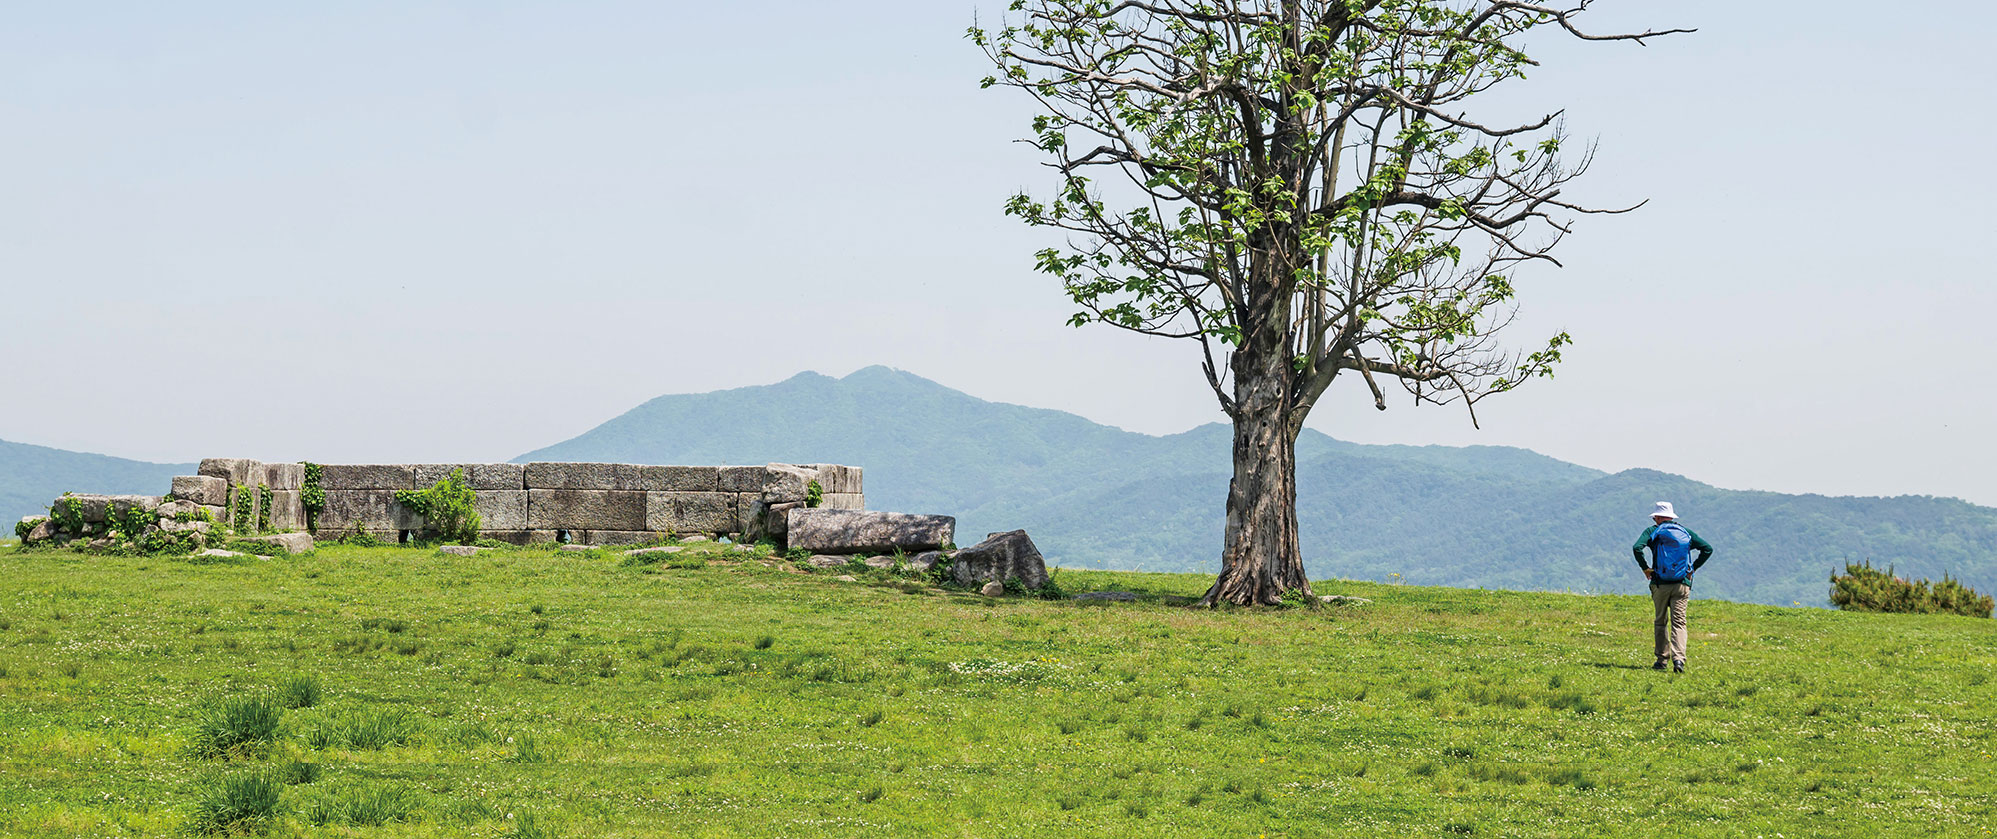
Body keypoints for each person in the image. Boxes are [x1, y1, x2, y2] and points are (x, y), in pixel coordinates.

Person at [1631, 501, 1714, 673]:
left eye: (1655, 517)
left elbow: (1637, 547)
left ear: (1658, 517)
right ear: (1672, 516)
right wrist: (1693, 569)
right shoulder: (1685, 532)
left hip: (1660, 583)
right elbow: (1707, 549)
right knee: (1679, 623)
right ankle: (1679, 660)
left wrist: (1645, 568)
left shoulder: (1652, 531)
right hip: (1682, 584)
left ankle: (1662, 660)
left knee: (1661, 621)